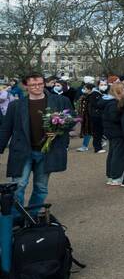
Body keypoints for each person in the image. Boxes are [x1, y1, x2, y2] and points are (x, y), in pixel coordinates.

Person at [0, 71, 74, 210]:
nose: (37, 87)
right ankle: (18, 218)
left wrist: (59, 129)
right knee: (18, 185)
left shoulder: (60, 101)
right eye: (33, 84)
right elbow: (6, 129)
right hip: (22, 150)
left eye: (40, 83)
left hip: (47, 150)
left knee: (41, 187)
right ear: (26, 86)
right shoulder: (16, 105)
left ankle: (31, 218)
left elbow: (71, 119)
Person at [101, 81, 124, 186]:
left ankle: (111, 175)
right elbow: (115, 118)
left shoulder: (111, 102)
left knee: (113, 153)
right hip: (116, 132)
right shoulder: (113, 104)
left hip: (112, 131)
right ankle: (116, 176)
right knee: (118, 154)